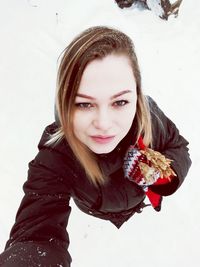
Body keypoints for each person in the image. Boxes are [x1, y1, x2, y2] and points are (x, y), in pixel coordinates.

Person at [0, 26, 191, 266]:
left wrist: (160, 178)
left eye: (120, 101)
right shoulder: (56, 154)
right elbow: (35, 235)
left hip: (138, 210)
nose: (103, 124)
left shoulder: (148, 119)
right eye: (83, 104)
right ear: (64, 102)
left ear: (137, 96)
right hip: (96, 213)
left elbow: (179, 147)